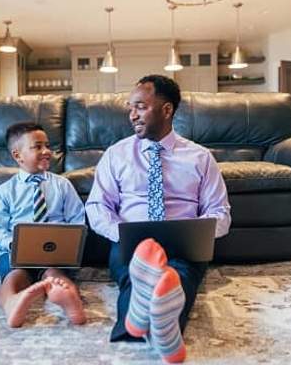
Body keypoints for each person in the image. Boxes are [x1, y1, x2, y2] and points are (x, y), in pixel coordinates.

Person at [85, 75, 231, 363]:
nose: (132, 114)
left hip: (183, 240)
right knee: (133, 271)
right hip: (130, 239)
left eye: (140, 106)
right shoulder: (116, 155)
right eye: (130, 107)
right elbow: (97, 205)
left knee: (182, 271)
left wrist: (198, 232)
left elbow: (220, 212)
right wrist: (121, 233)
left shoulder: (200, 158)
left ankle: (143, 317)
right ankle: (166, 325)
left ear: (167, 110)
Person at [0, 122, 87, 328]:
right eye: (37, 147)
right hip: (16, 252)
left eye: (47, 146)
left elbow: (78, 219)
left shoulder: (62, 185)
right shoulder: (6, 190)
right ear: (17, 155)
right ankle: (12, 302)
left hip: (54, 251)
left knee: (55, 273)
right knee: (14, 276)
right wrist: (12, 243)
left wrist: (68, 242)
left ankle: (68, 297)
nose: (47, 151)